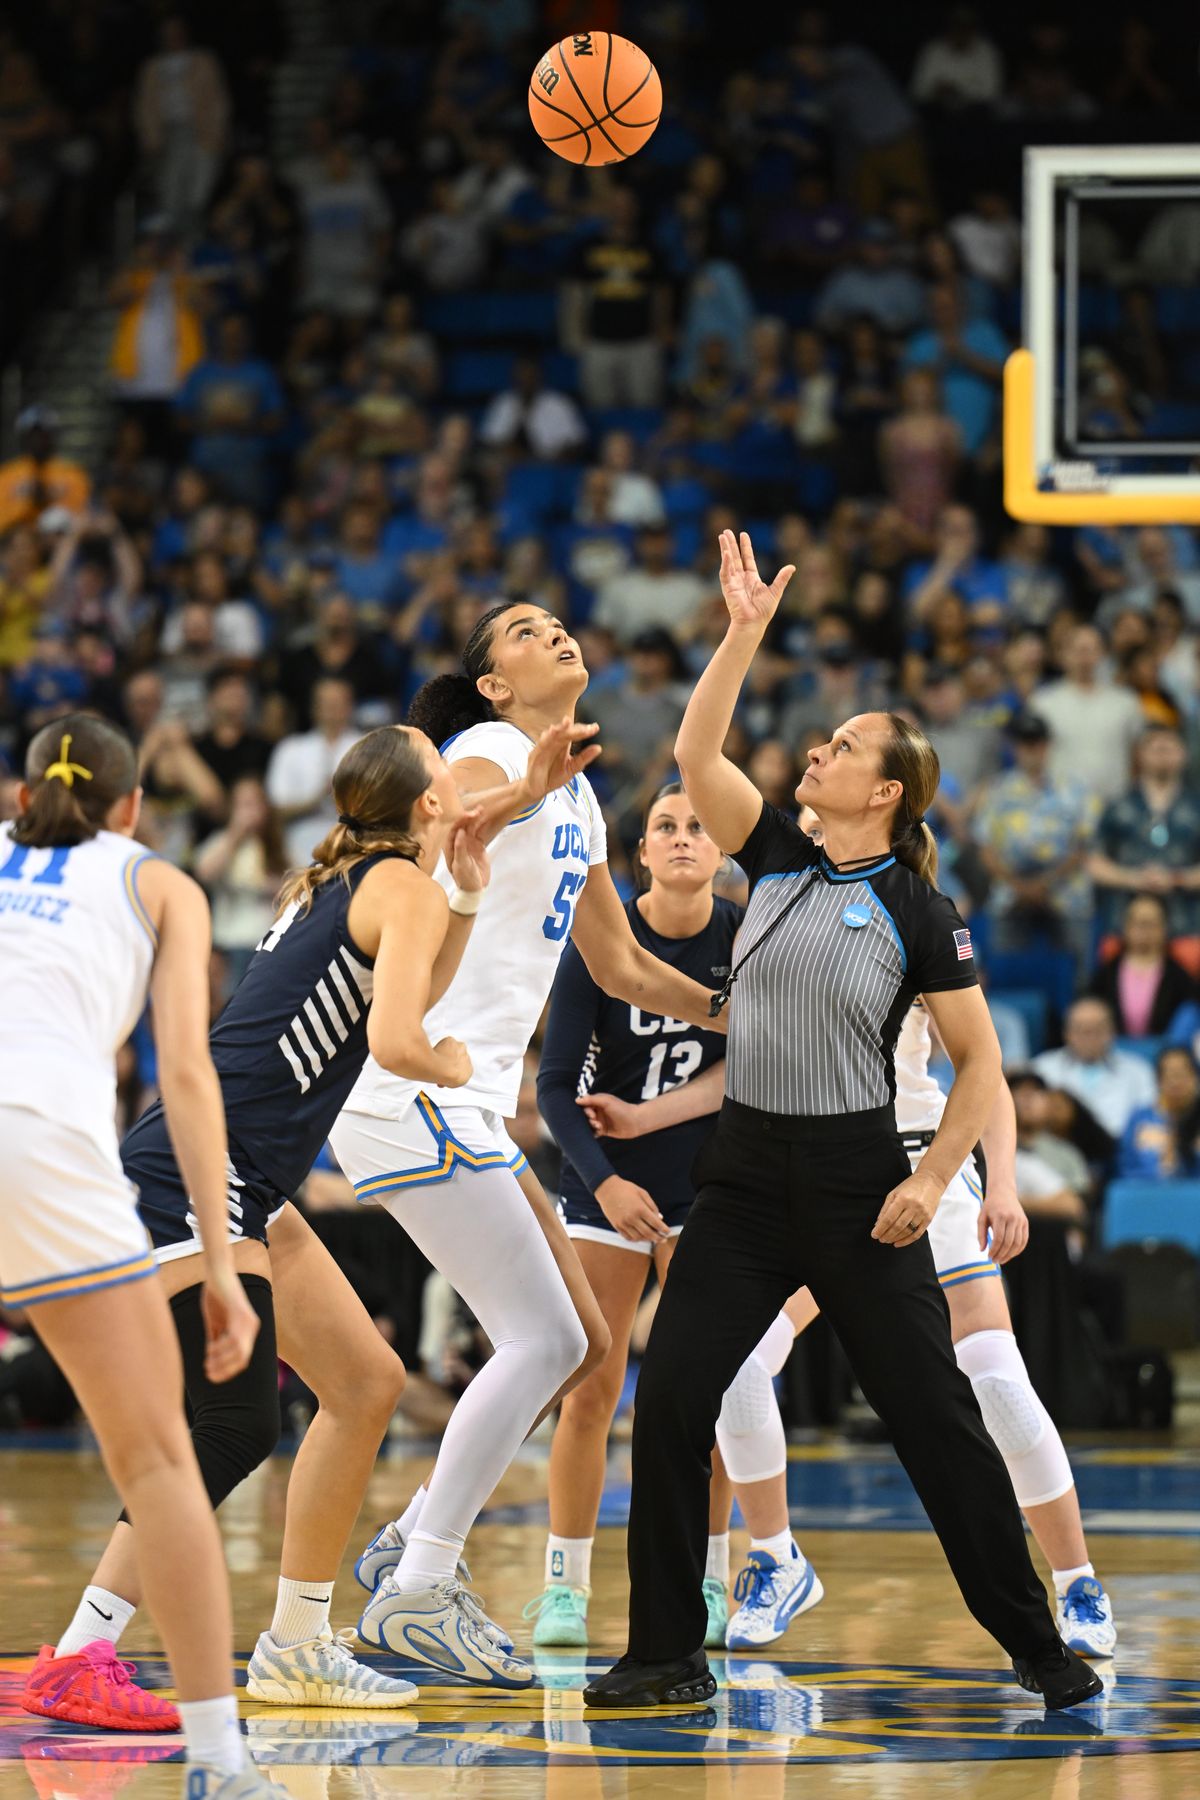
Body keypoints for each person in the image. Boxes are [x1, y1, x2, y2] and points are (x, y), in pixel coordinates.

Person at [583, 530, 1101, 1713]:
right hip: (747, 1178)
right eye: (826, 738)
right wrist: (743, 633)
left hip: (865, 1185)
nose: (821, 750)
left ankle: (1038, 1646)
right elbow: (693, 747)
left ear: (887, 794)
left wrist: (937, 1182)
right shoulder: (766, 855)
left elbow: (980, 1066)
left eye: (847, 748)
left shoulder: (923, 909)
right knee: (670, 1400)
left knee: (937, 1427)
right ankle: (666, 1652)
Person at [32, 717, 595, 1725]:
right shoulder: (396, 887)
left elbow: (420, 972)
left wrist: (468, 882)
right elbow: (403, 1036)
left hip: (247, 1177)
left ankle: (297, 1644)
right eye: (446, 774)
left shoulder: (351, 880)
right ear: (429, 798)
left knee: (368, 1384)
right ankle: (84, 1649)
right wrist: (454, 1067)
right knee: (237, 1424)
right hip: (200, 1174)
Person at [333, 601, 728, 1685]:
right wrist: (528, 788)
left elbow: (626, 971)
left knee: (586, 1346)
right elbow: (432, 839)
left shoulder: (579, 794)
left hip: (453, 1109)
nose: (554, 632)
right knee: (550, 1345)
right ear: (495, 683)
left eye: (558, 623)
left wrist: (739, 1016)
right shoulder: (481, 750)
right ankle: (419, 1583)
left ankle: (408, 1538)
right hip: (411, 1086)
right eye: (522, 631)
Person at [1, 715, 276, 1797]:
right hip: (44, 1145)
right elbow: (190, 1083)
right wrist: (218, 1265)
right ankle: (218, 1762)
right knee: (162, 1462)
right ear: (129, 806)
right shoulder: (160, 882)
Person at [527, 784, 820, 1652]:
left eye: (698, 826)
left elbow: (759, 1073)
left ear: (721, 849)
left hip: (715, 1189)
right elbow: (552, 1089)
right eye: (665, 827)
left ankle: (709, 1575)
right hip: (610, 1183)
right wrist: (606, 1184)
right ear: (641, 853)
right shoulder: (602, 938)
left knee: (716, 1391)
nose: (685, 838)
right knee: (592, 1389)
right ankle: (565, 1586)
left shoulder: (750, 934)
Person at [1033, 997, 1157, 1140]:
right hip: (1057, 1151)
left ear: (1112, 1032)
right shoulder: (1041, 1068)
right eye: (1081, 1030)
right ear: (1066, 1033)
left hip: (1119, 1152)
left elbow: (1149, 1121)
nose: (1089, 1037)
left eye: (1097, 1029)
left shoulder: (1139, 1071)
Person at [1089, 892, 1197, 1039]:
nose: (1144, 930)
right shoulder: (1105, 974)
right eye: (1138, 922)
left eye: (1151, 923)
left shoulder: (1180, 977)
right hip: (1114, 1051)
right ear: (1125, 926)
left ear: (1165, 927)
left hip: (1164, 1054)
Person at [1118, 1045, 1200, 1178]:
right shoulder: (1139, 1119)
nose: (1176, 1082)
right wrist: (1163, 1169)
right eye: (1169, 1074)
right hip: (1149, 1195)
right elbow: (1124, 1169)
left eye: (1182, 1074)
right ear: (1158, 1080)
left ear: (1195, 1077)